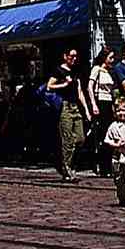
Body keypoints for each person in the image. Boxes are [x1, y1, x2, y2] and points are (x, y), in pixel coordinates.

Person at [45, 46, 86, 180]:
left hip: (75, 106)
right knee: (67, 139)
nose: (74, 59)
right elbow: (49, 86)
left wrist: (86, 109)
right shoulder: (59, 70)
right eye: (71, 56)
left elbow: (80, 91)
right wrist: (63, 84)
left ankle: (68, 164)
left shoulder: (76, 71)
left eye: (75, 56)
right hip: (65, 106)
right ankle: (67, 169)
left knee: (80, 138)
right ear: (65, 56)